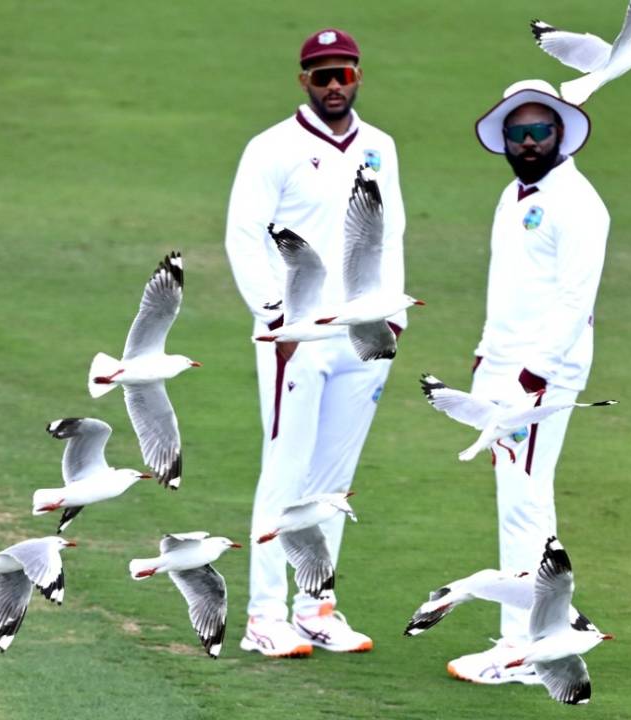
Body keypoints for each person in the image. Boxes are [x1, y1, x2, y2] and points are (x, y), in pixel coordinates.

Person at [224, 28, 407, 658]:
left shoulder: (380, 146)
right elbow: (243, 236)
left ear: (358, 76)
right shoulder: (271, 147)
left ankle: (315, 606)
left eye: (344, 73)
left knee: (333, 480)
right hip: (295, 335)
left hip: (362, 335)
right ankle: (263, 616)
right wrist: (276, 317)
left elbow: (391, 234)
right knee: (285, 470)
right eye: (321, 75)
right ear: (303, 80)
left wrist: (392, 317)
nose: (334, 85)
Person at [447, 79, 610, 684]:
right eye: (518, 132)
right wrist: (488, 357)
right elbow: (510, 287)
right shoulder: (513, 195)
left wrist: (532, 374)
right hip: (505, 364)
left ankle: (524, 649)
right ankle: (539, 637)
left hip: (540, 375)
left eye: (541, 130)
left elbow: (574, 300)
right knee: (520, 499)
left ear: (561, 132)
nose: (530, 141)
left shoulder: (579, 203)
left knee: (524, 505)